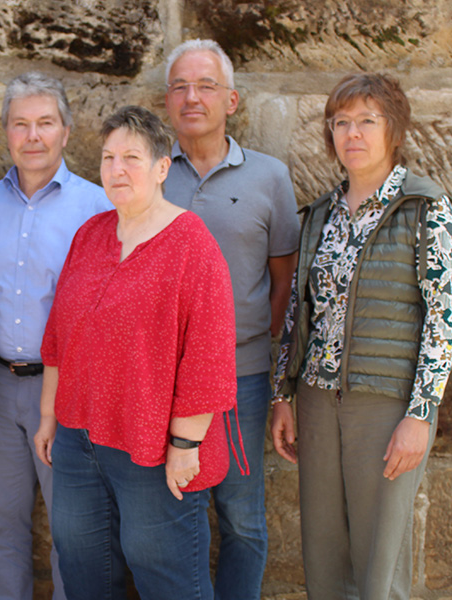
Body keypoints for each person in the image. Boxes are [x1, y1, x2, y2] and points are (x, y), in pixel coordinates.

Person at [269, 72, 452, 600]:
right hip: (316, 402)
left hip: (384, 406)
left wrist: (420, 414)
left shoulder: (426, 210)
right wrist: (284, 395)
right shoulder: (318, 215)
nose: (352, 133)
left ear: (394, 129)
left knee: (379, 566)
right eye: (341, 123)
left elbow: (443, 321)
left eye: (366, 121)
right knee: (324, 559)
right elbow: (296, 316)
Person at [34, 106, 237, 600]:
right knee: (83, 570)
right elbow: (59, 336)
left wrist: (186, 446)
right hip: (79, 440)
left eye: (131, 157)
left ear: (162, 167)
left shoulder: (192, 244)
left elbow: (208, 356)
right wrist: (47, 417)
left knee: (167, 578)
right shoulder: (91, 235)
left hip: (152, 446)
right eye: (107, 158)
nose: (117, 169)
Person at [0, 71, 111, 600]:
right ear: (5, 132)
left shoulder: (98, 209)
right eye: (20, 124)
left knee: (73, 529)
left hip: (69, 391)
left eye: (45, 123)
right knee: (3, 526)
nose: (33, 136)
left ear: (66, 131)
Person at [161, 39, 300, 600]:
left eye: (206, 86)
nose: (191, 98)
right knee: (176, 510)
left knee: (241, 514)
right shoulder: (147, 172)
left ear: (232, 101)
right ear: (167, 100)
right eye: (179, 87)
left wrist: (246, 349)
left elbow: (284, 280)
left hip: (239, 379)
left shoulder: (269, 177)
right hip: (163, 379)